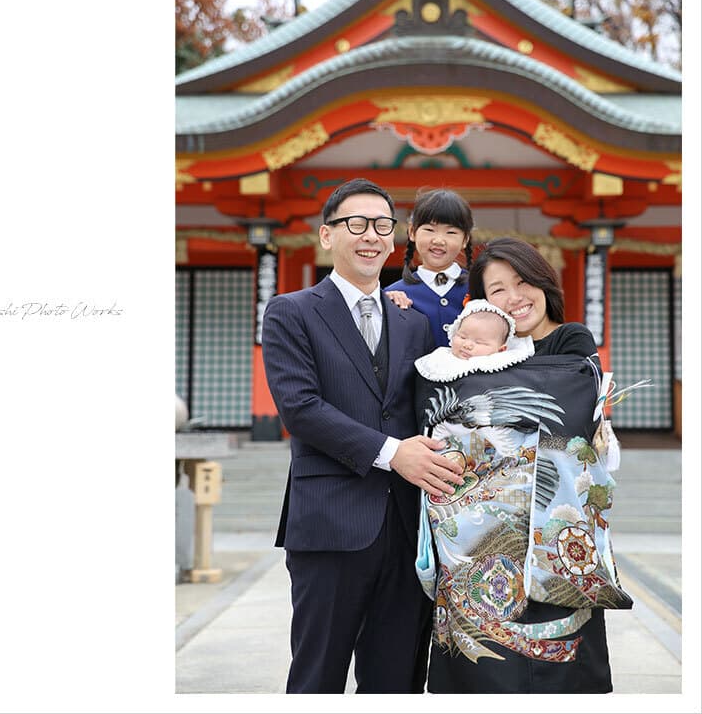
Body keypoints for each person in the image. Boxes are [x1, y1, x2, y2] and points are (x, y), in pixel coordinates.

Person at [261, 178, 465, 694]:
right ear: (327, 236)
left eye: (381, 225)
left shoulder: (414, 324)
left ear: (395, 240)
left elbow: (429, 410)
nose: (370, 235)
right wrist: (394, 454)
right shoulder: (292, 311)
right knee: (317, 675)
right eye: (356, 224)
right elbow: (301, 408)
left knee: (396, 679)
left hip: (406, 528)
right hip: (331, 522)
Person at [418, 236, 625, 694]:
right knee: (480, 655)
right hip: (478, 532)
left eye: (524, 280)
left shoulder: (570, 338)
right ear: (482, 303)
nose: (515, 297)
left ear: (544, 282)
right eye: (498, 290)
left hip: (552, 519)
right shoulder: (469, 352)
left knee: (561, 654)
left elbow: (567, 420)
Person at [384, 188, 474, 346]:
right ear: (412, 232)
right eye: (429, 230)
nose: (439, 240)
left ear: (465, 239)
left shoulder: (480, 288)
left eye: (451, 232)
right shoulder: (394, 295)